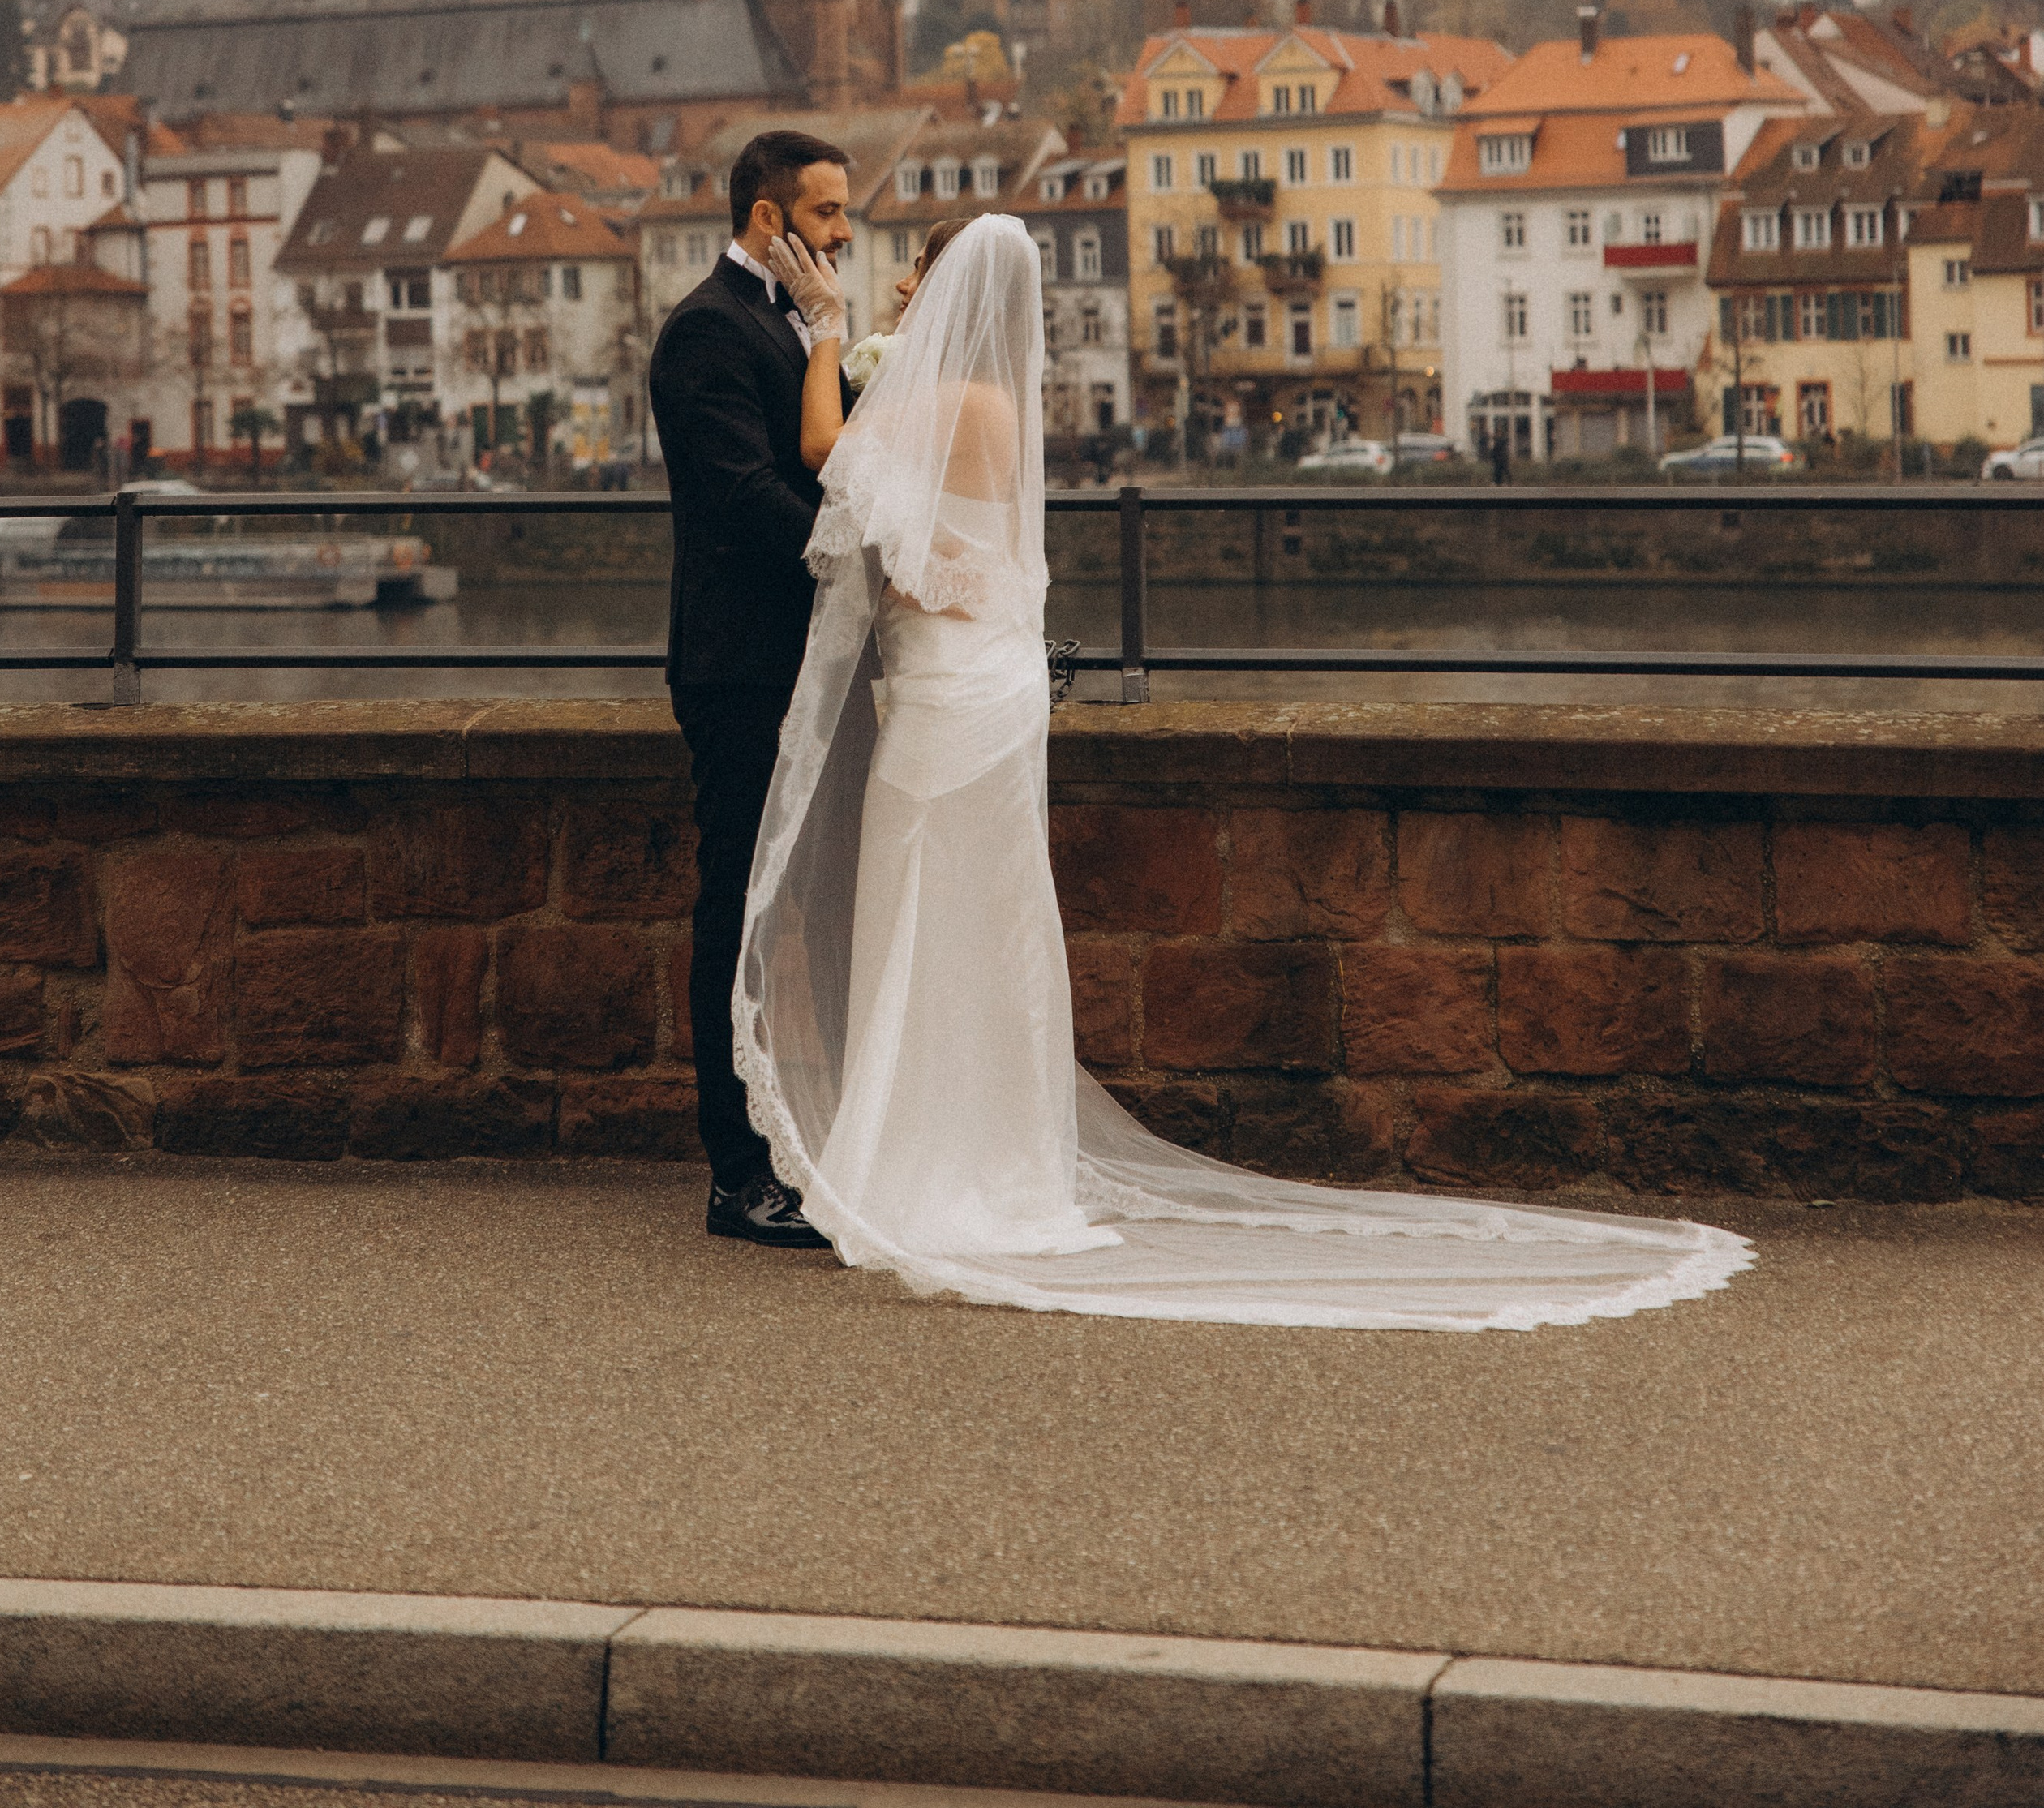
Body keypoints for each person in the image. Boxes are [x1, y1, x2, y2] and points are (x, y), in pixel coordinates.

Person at [736, 212, 1754, 1330]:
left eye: (917, 282)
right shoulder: (998, 404)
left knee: (929, 920)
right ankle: (970, 1150)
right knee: (974, 925)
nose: (902, 299)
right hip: (986, 686)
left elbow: (834, 458)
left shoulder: (949, 402)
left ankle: (929, 1165)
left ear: (950, 296)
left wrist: (831, 334)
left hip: (945, 699)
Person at [649, 126, 857, 1248]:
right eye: (826, 216)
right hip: (739, 667)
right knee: (733, 911)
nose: (843, 234)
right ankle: (737, 1175)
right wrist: (862, 551)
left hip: (801, 658)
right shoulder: (704, 332)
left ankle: (795, 1137)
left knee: (794, 913)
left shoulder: (795, 322)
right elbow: (742, 497)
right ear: (768, 220)